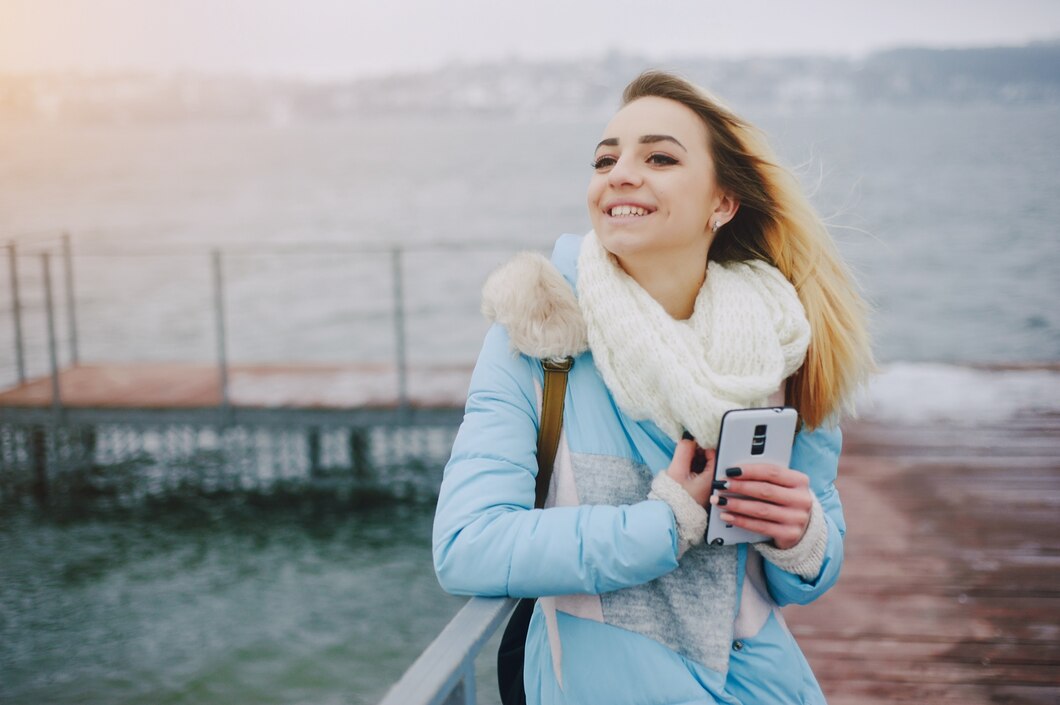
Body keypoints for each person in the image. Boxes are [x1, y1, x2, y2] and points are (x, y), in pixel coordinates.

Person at [433, 70, 873, 705]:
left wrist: (801, 534)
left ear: (723, 203)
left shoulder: (783, 341)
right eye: (605, 159)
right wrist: (662, 524)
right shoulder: (537, 335)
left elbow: (802, 581)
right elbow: (466, 546)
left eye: (659, 157)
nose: (619, 173)